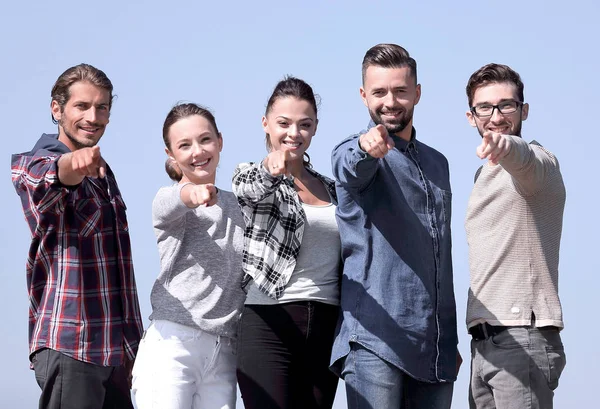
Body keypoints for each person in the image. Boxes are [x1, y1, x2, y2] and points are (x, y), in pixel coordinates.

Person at [330, 43, 459, 408]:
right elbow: (347, 166)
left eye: (401, 91)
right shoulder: (353, 150)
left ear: (417, 92)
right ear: (363, 95)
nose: (390, 101)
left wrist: (447, 343)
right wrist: (365, 147)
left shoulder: (439, 164)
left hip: (435, 352)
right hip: (375, 342)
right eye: (379, 92)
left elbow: (441, 257)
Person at [10, 63, 144, 409]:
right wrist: (74, 164)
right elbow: (48, 179)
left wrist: (134, 347)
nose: (93, 116)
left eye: (102, 107)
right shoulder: (37, 161)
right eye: (82, 106)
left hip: (116, 351)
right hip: (73, 343)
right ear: (57, 109)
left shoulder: (104, 174)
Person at [233, 76, 341, 409]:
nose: (294, 133)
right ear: (266, 124)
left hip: (326, 325)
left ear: (315, 128)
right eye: (284, 123)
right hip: (268, 322)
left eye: (304, 124)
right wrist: (270, 169)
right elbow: (248, 188)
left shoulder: (334, 188)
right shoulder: (251, 173)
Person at [464, 63, 567, 409]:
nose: (496, 115)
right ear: (471, 117)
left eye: (506, 105)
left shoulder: (539, 164)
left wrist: (505, 145)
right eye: (485, 107)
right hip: (483, 344)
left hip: (523, 336)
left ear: (523, 110)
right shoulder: (483, 175)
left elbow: (524, 159)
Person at [131, 103, 246, 409]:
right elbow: (173, 201)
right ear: (171, 155)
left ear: (219, 142)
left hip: (224, 351)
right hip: (173, 346)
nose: (197, 151)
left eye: (205, 140)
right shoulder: (167, 201)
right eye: (184, 145)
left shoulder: (240, 207)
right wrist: (192, 194)